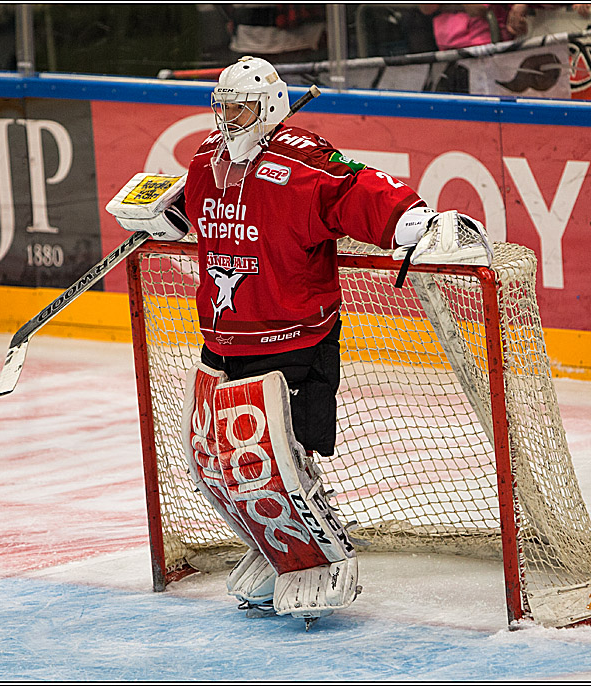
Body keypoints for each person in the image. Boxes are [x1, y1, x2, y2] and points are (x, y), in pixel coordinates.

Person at [106, 56, 492, 627]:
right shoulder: (205, 160)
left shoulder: (301, 161)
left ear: (268, 108)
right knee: (218, 465)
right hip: (225, 337)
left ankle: (326, 557)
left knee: (285, 459)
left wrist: (414, 221)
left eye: (240, 108)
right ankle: (275, 548)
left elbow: (356, 187)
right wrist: (164, 217)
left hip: (294, 338)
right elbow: (197, 211)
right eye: (222, 107)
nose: (228, 119)